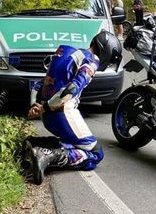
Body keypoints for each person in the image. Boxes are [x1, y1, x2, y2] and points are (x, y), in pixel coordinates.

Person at [23, 31, 122, 185]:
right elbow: (72, 88)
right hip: (62, 112)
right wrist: (46, 108)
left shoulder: (69, 54)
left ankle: (34, 144)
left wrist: (35, 106)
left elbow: (38, 84)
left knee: (71, 142)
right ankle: (47, 155)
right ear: (107, 51)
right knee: (95, 153)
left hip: (49, 114)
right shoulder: (91, 61)